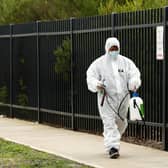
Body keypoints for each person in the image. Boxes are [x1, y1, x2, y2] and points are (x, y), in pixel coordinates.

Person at [86, 37, 141, 159]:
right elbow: (90, 77)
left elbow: (134, 74)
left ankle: (111, 137)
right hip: (106, 99)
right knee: (109, 122)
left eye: (116, 48)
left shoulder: (126, 62)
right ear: (107, 49)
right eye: (112, 49)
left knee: (121, 123)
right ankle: (113, 148)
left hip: (123, 99)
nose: (114, 51)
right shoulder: (98, 63)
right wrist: (97, 84)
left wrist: (134, 82)